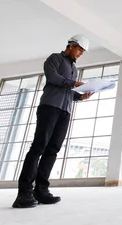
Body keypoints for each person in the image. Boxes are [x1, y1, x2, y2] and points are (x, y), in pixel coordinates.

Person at [12, 34, 94, 208]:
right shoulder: (55, 59)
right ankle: (23, 193)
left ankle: (41, 191)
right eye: (79, 49)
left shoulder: (74, 69)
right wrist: (75, 83)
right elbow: (53, 78)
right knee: (38, 147)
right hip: (49, 107)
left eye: (83, 51)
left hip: (65, 111)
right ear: (71, 45)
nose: (81, 53)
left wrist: (81, 96)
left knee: (53, 150)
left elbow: (68, 92)